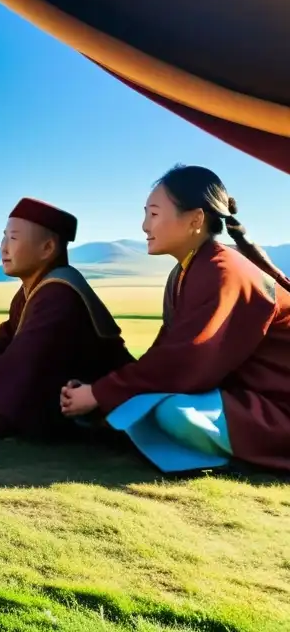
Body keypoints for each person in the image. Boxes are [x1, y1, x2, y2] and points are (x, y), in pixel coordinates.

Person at [61, 165, 290, 473]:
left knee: (171, 412)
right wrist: (102, 391)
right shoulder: (187, 271)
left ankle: (229, 459)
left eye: (154, 214)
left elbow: (187, 361)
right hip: (241, 398)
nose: (144, 225)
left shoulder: (224, 271)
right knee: (148, 405)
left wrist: (99, 393)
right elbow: (165, 353)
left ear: (195, 219)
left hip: (276, 408)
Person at [0, 197, 134, 440]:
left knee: (27, 377)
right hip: (57, 387)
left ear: (47, 249)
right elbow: (1, 340)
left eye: (14, 238)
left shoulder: (60, 292)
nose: (4, 247)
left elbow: (24, 356)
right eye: (3, 237)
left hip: (92, 396)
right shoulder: (33, 290)